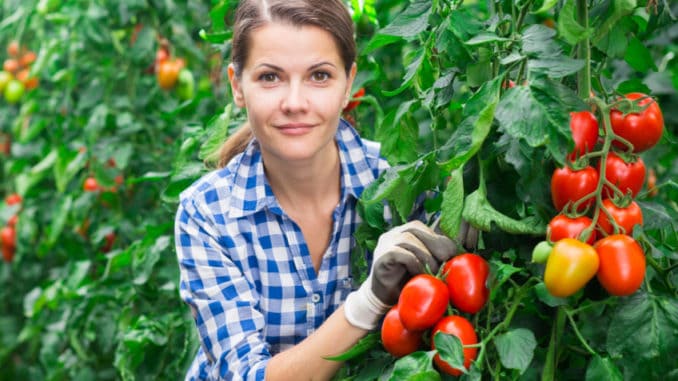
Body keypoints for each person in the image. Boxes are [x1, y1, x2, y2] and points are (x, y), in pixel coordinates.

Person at [174, 1, 474, 380]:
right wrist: (368, 302)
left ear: (349, 84)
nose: (295, 103)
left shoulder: (397, 189)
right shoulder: (208, 213)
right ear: (237, 86)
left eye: (319, 76)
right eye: (270, 77)